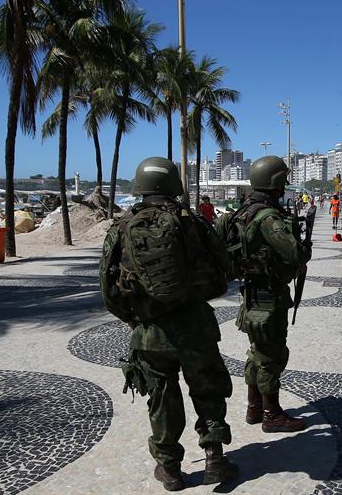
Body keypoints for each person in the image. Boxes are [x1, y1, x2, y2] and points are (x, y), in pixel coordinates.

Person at [113, 157, 238, 490]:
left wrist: (132, 318)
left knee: (161, 397)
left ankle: (169, 469)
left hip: (150, 331)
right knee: (207, 390)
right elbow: (223, 265)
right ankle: (215, 460)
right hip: (196, 325)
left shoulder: (123, 227)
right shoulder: (192, 221)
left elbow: (108, 286)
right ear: (173, 185)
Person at [233, 155, 312, 432]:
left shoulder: (244, 211)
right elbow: (294, 252)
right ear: (274, 184)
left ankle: (254, 408)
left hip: (253, 293)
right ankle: (271, 415)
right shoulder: (267, 217)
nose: (283, 189)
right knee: (272, 356)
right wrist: (305, 249)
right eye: (281, 184)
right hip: (268, 297)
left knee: (257, 353)